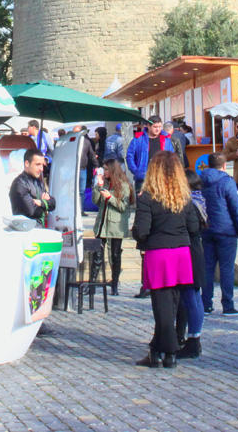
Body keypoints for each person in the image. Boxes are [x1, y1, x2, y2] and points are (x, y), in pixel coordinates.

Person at [131, 150, 200, 368]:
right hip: (181, 252)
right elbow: (194, 227)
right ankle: (158, 350)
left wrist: (139, 233)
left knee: (161, 306)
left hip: (159, 253)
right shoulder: (184, 198)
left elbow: (141, 231)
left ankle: (168, 350)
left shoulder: (148, 198)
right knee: (173, 303)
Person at [199, 150, 238, 316]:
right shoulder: (227, 182)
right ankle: (228, 305)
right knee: (226, 269)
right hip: (226, 229)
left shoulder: (200, 180)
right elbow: (236, 208)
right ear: (224, 165)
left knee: (207, 267)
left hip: (206, 228)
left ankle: (206, 303)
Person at [175, 169, 207, 358]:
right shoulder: (199, 199)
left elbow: (192, 228)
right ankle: (194, 338)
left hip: (190, 253)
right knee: (193, 296)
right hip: (195, 251)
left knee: (191, 297)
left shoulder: (191, 203)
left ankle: (194, 339)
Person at [91, 157, 134, 296]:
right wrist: (98, 186)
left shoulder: (123, 185)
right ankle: (91, 284)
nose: (105, 172)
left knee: (115, 255)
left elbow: (123, 206)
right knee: (97, 255)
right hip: (102, 224)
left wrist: (110, 197)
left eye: (107, 169)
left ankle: (114, 284)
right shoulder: (105, 183)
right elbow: (96, 201)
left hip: (115, 225)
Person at [126, 114, 169, 194]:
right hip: (143, 178)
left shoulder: (166, 139)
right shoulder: (138, 139)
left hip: (162, 178)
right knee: (142, 203)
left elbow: (171, 157)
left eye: (159, 127)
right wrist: (136, 171)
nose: (158, 129)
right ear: (148, 126)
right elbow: (129, 156)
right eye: (155, 127)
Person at [10, 149, 55, 224]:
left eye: (42, 165)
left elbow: (53, 203)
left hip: (38, 229)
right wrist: (45, 206)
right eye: (38, 164)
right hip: (24, 231)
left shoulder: (38, 183)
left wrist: (41, 202)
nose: (41, 169)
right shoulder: (19, 184)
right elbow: (32, 212)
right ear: (27, 163)